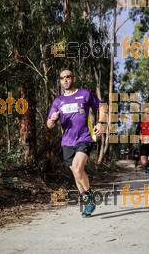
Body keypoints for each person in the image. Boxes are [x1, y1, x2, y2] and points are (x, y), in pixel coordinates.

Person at [47, 69, 103, 217]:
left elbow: (102, 107)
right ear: (60, 81)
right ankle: (88, 202)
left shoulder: (84, 94)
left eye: (68, 77)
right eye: (62, 78)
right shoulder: (58, 101)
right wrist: (52, 119)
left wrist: (101, 123)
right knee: (76, 174)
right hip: (67, 142)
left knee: (78, 169)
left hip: (85, 137)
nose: (65, 80)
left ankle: (89, 195)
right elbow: (49, 125)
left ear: (74, 78)